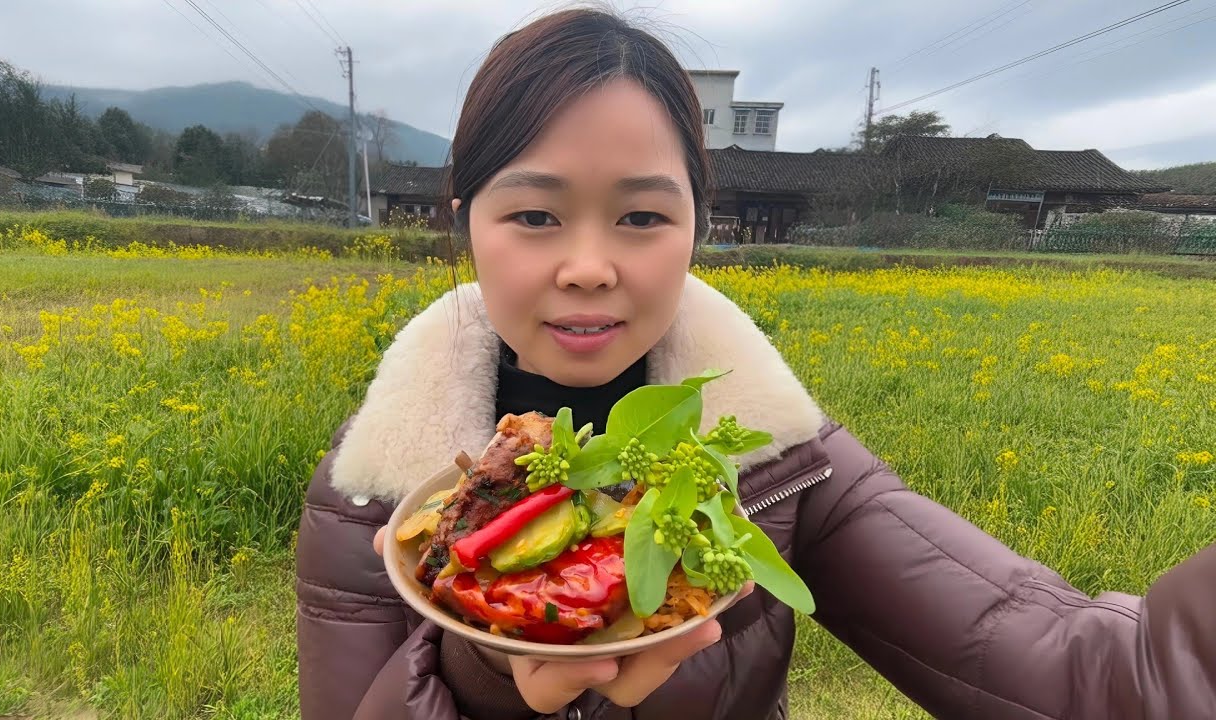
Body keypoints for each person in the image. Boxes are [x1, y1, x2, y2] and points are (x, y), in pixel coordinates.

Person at [294, 8, 1216, 720]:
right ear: (464, 219)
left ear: (700, 222)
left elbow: (1077, 666)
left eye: (643, 216)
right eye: (534, 215)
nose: (587, 265)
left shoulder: (783, 464)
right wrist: (487, 670)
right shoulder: (373, 495)